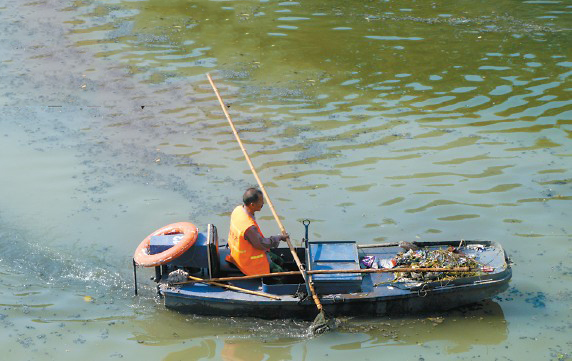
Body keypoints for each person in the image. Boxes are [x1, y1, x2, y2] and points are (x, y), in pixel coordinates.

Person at [226, 188, 288, 275]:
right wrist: (278, 238)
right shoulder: (249, 227)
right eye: (261, 202)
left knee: (279, 260)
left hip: (237, 253)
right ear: (252, 205)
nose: (263, 203)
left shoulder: (238, 210)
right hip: (247, 261)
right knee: (279, 272)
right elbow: (261, 243)